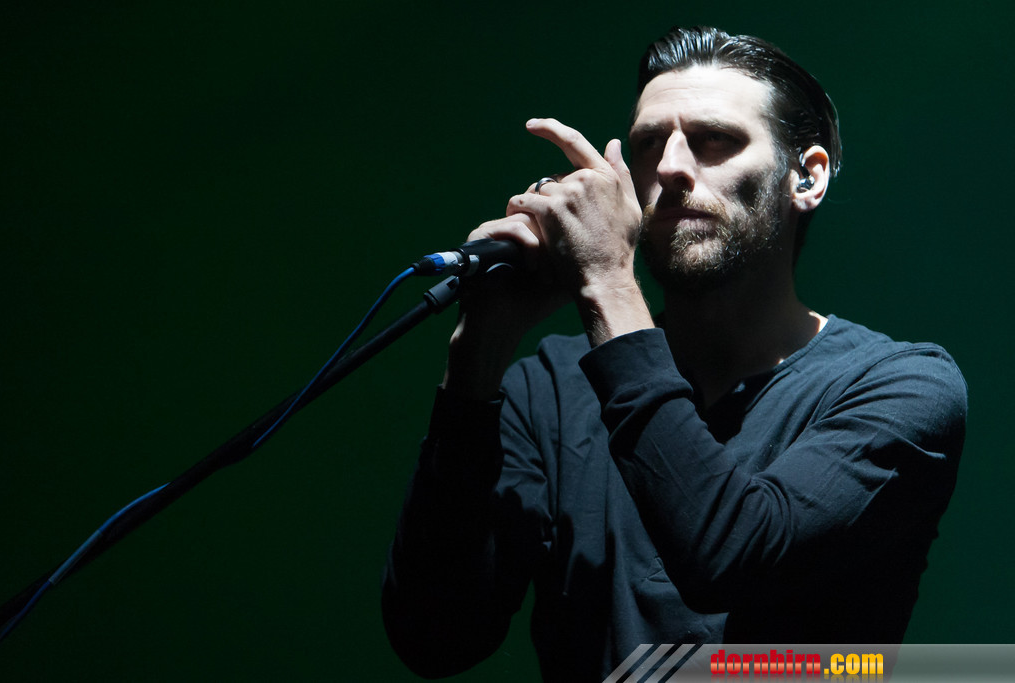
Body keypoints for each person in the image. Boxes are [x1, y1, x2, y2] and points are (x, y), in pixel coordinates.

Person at [381, 25, 967, 682]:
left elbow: (730, 553)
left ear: (806, 176)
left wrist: (606, 279)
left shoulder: (901, 386)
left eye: (715, 140)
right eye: (649, 144)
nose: (669, 168)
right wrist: (479, 350)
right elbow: (434, 637)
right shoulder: (550, 385)